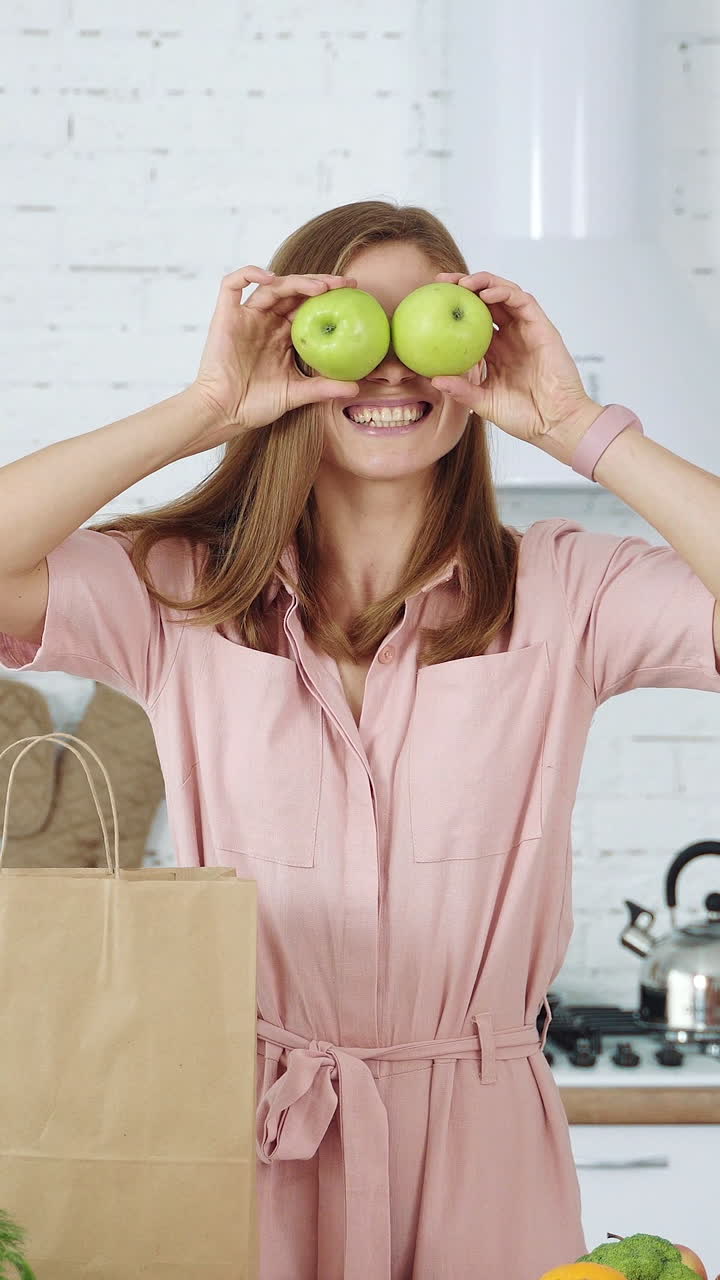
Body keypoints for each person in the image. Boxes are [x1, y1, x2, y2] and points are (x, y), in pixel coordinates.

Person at [0, 199, 718, 1280]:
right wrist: (208, 406)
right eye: (350, 327)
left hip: (485, 1139)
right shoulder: (180, 589)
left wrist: (580, 427)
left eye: (418, 323)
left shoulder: (570, 590)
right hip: (242, 1134)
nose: (387, 368)